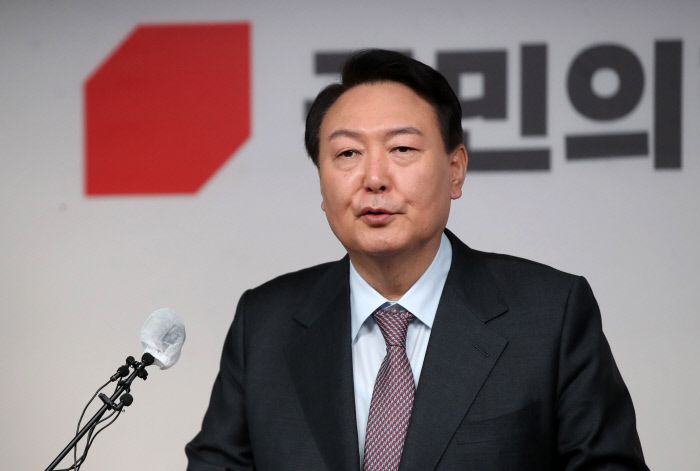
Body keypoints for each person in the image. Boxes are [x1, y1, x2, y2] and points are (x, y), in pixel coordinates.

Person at [185, 49, 648, 470]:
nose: (374, 178)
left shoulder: (549, 315)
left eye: (402, 149)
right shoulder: (264, 325)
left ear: (455, 170)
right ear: (322, 184)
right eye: (347, 153)